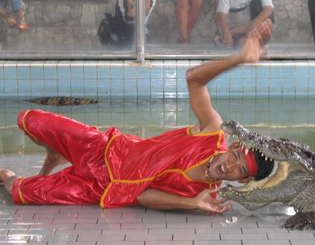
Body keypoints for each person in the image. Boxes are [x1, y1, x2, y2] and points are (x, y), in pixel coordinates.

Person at [0, 22, 274, 214]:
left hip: (99, 189)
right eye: (235, 158)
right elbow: (194, 79)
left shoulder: (205, 195)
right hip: (104, 149)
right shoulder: (212, 133)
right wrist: (239, 58)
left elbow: (143, 196)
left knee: (18, 191)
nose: (230, 167)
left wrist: (192, 204)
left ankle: (32, 168)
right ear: (234, 148)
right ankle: (56, 154)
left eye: (240, 170)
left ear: (241, 181)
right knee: (30, 119)